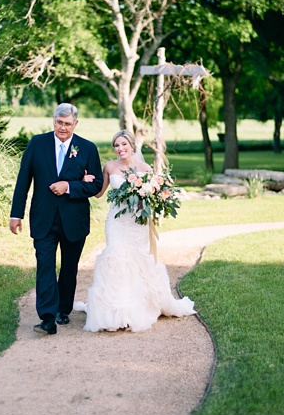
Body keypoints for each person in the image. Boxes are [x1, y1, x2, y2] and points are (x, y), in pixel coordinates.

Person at [73, 130, 196, 332]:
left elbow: (153, 194)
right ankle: (116, 311)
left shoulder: (144, 168)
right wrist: (85, 181)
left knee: (137, 261)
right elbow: (98, 193)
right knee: (115, 257)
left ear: (132, 146)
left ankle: (134, 309)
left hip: (137, 222)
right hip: (116, 221)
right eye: (116, 145)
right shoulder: (109, 167)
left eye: (123, 144)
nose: (120, 149)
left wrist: (152, 198)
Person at [10, 103, 104, 335]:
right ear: (53, 121)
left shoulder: (87, 148)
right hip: (43, 217)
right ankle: (48, 318)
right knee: (45, 266)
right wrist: (16, 213)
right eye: (59, 123)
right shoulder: (37, 144)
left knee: (69, 267)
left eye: (67, 124)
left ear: (75, 124)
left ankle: (63, 309)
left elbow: (96, 184)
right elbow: (23, 180)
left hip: (74, 219)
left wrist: (69, 186)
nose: (62, 128)